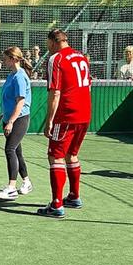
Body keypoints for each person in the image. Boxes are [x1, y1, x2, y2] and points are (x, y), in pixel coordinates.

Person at [38, 29, 91, 219]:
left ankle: (56, 204)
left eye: (48, 44)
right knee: (72, 154)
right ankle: (74, 196)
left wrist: (49, 121)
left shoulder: (56, 59)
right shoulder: (81, 57)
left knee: (56, 157)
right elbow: (88, 85)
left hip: (66, 115)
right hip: (84, 115)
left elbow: (55, 92)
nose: (48, 48)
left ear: (53, 42)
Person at [0, 46, 33, 200]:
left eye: (6, 58)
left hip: (19, 119)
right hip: (9, 118)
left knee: (10, 149)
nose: (4, 61)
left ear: (14, 59)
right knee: (17, 151)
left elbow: (20, 102)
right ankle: (27, 182)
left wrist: (11, 122)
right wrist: (0, 117)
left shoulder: (20, 77)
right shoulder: (11, 75)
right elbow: (8, 101)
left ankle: (11, 188)